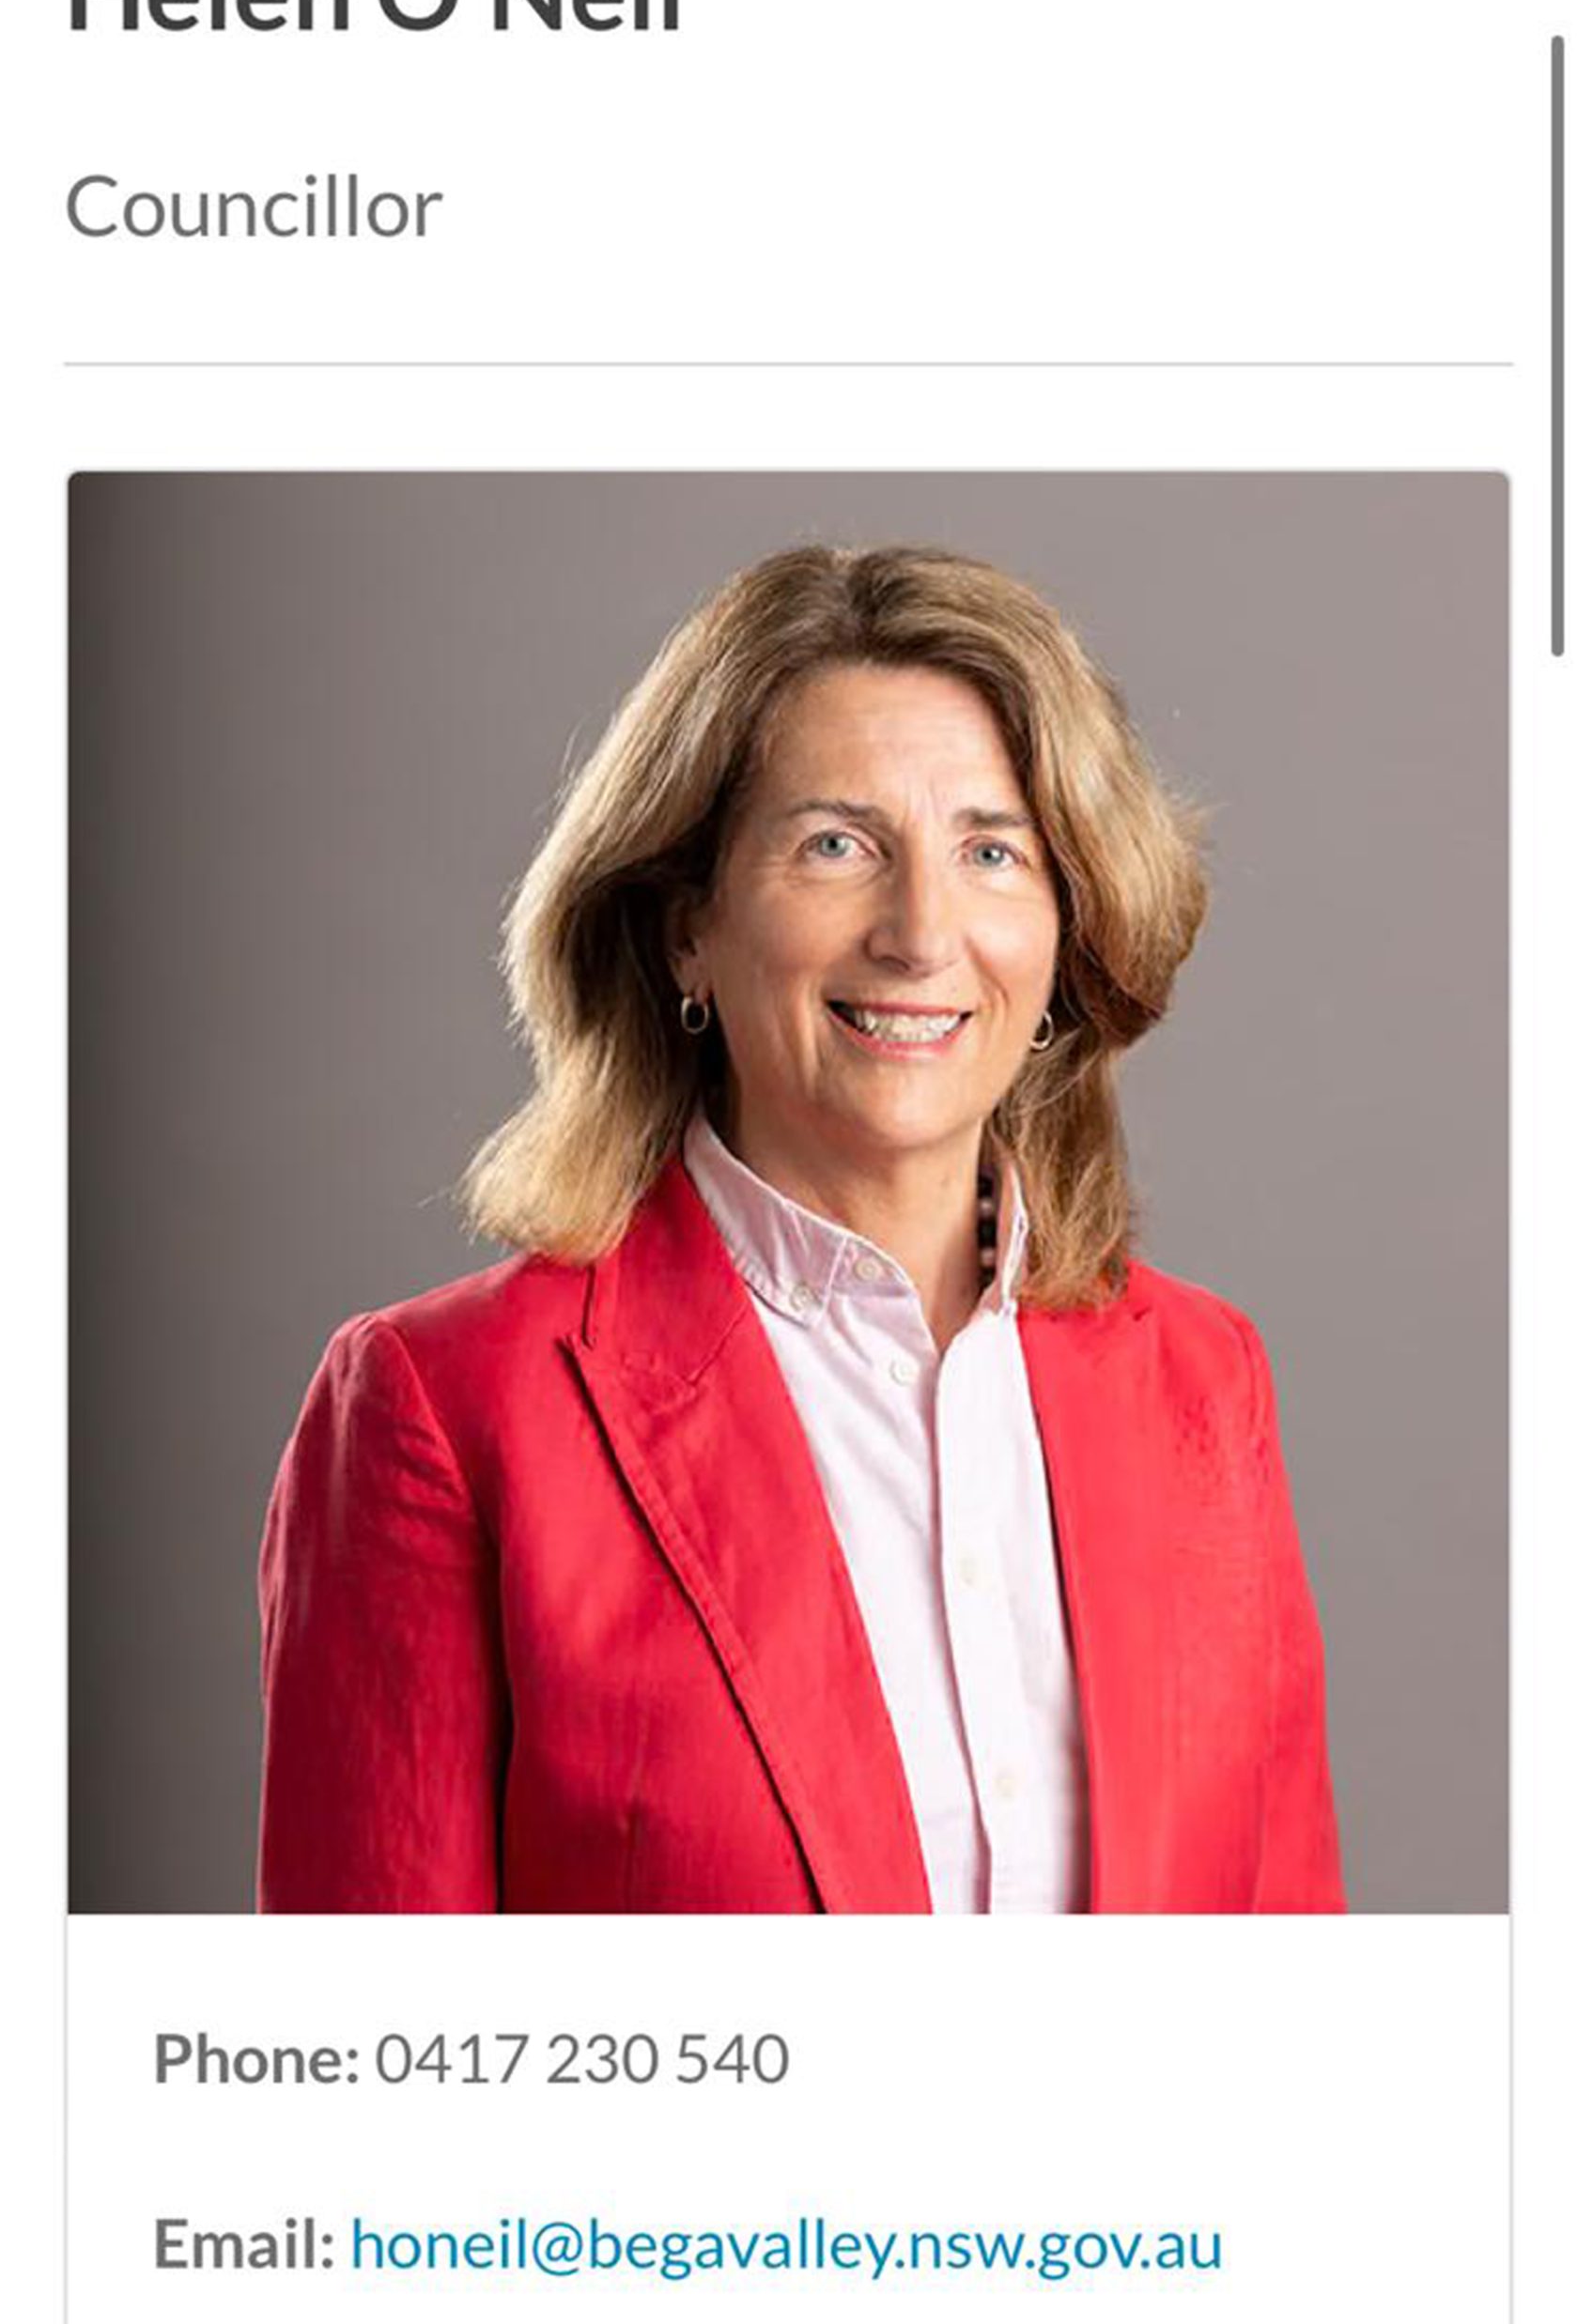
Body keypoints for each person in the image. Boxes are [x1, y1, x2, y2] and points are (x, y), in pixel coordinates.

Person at [257, 543, 1344, 1915]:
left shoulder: (1204, 1382)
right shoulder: (447, 1409)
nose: (922, 933)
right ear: (687, 931)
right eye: (837, 845)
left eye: (992, 851)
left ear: (1068, 932)